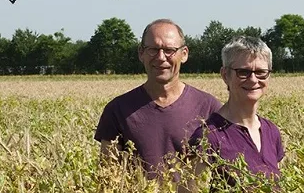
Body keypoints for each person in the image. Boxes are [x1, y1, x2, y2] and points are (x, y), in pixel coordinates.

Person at [94, 18, 222, 179]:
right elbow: (108, 177)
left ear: (184, 54)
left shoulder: (210, 108)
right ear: (141, 53)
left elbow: (222, 173)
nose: (161, 57)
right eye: (153, 49)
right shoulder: (117, 110)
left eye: (169, 50)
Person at [180, 36, 285, 193]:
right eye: (243, 72)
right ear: (225, 75)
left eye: (261, 72)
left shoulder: (271, 131)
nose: (253, 80)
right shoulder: (207, 138)